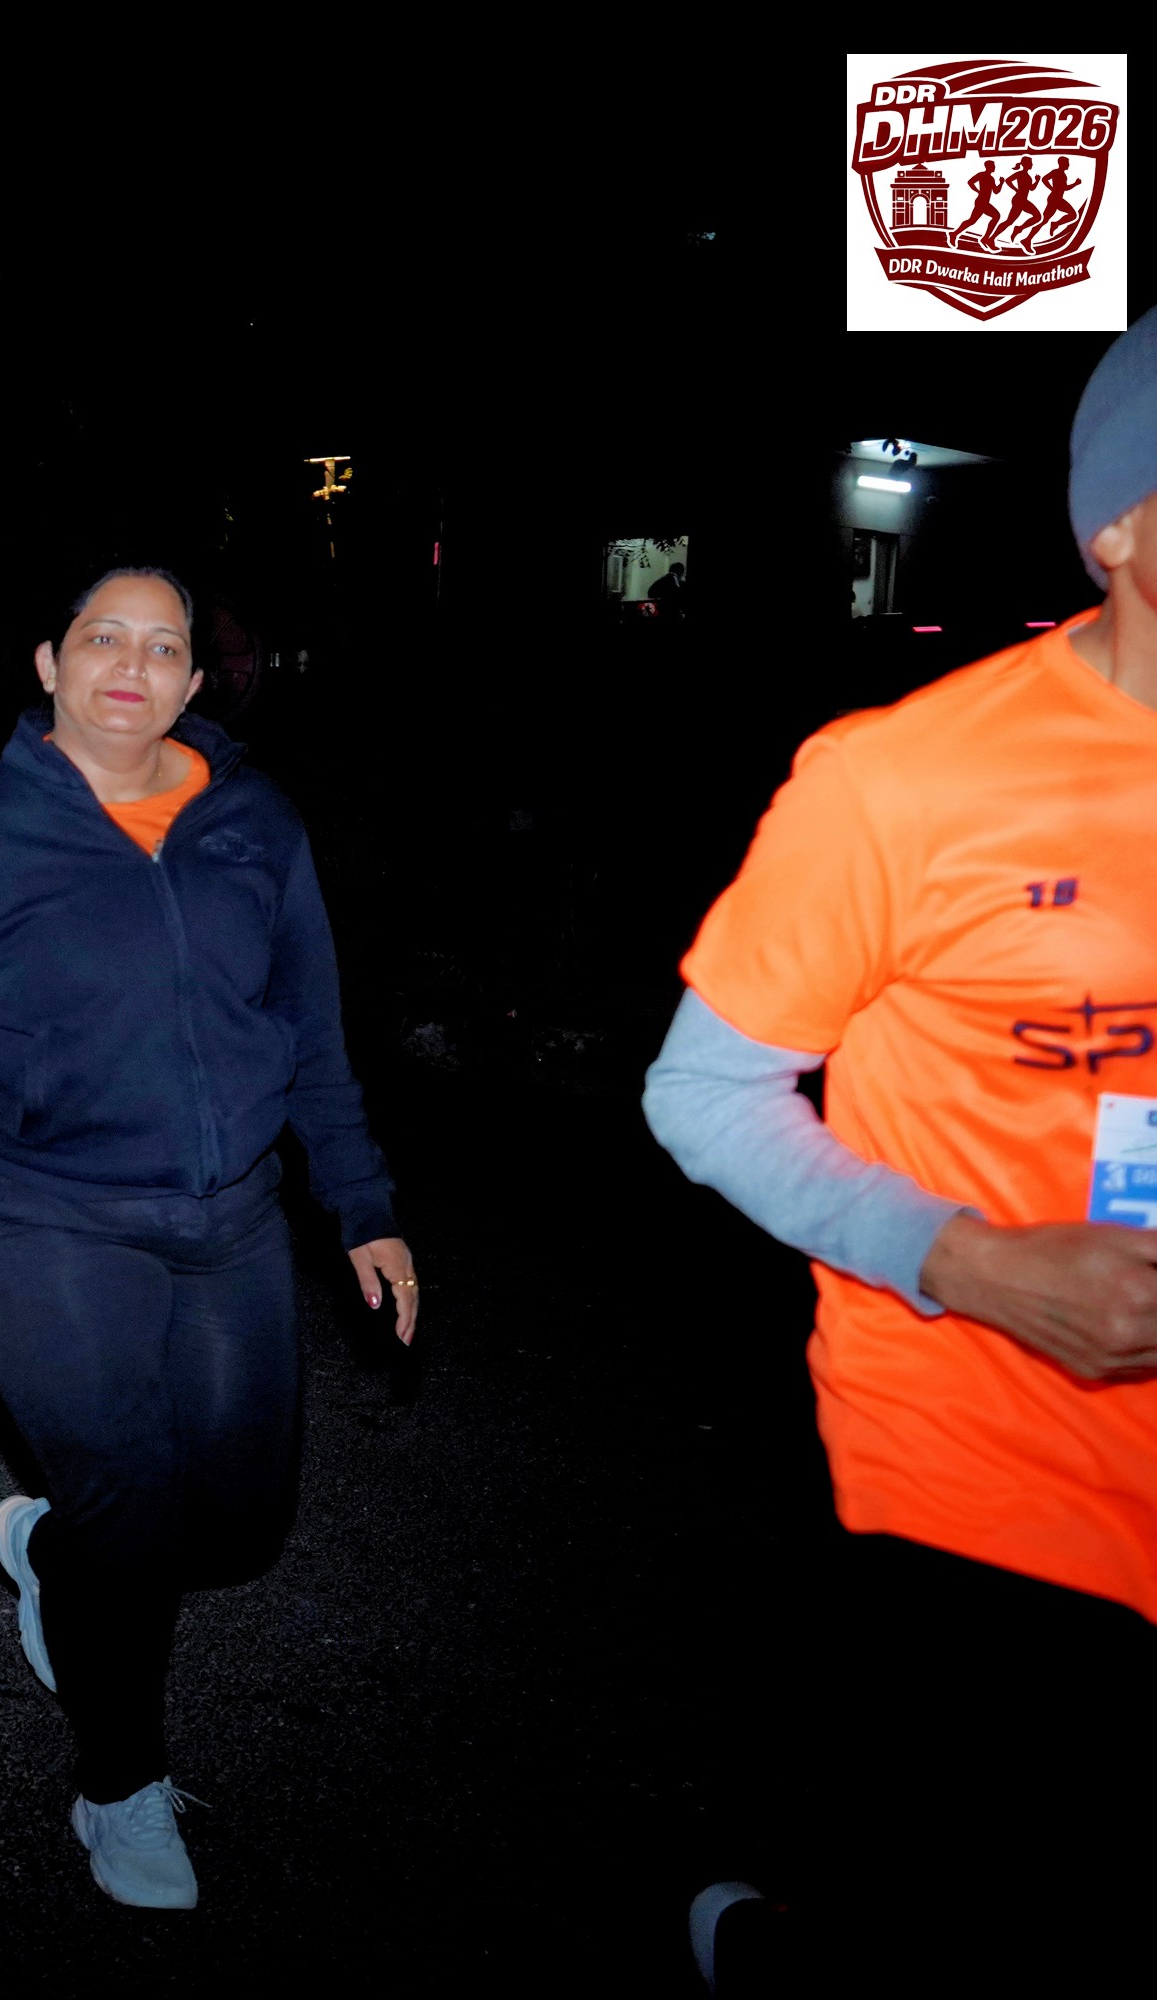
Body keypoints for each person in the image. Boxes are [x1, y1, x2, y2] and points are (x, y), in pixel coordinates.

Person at [648, 311, 1153, 1990]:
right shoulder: (904, 780)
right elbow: (701, 1094)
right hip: (987, 1455)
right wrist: (968, 1260)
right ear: (1121, 526)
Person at [0, 567, 417, 1909]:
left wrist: (364, 1202)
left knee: (240, 1525)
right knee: (132, 1507)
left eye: (163, 647)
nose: (131, 666)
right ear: (50, 663)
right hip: (28, 1213)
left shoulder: (255, 821)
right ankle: (120, 1782)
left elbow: (313, 1032)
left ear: (196, 683)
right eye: (105, 638)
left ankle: (54, 1557)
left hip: (227, 1214)